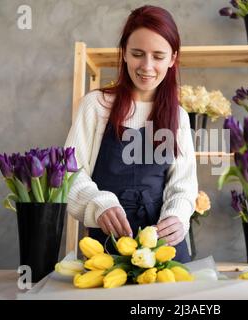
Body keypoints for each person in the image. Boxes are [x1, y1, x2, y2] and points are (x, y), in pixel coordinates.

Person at [64, 5, 197, 263]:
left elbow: (184, 184)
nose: (147, 66)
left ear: (172, 59)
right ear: (124, 53)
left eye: (158, 56)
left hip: (165, 252)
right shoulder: (96, 105)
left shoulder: (178, 116)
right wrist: (98, 204)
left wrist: (177, 217)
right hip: (106, 249)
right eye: (138, 54)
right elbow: (70, 174)